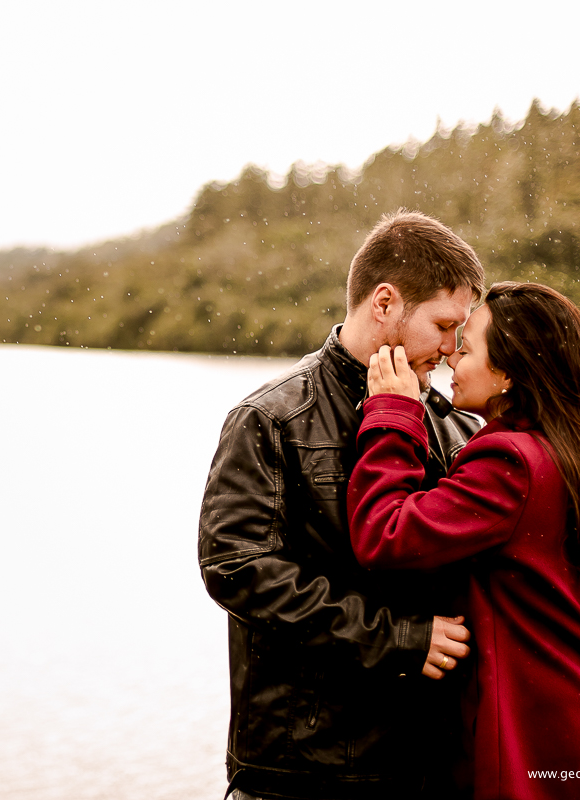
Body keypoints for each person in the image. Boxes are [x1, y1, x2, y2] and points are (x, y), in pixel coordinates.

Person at [198, 209, 487, 799]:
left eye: (463, 332)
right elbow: (237, 569)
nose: (454, 349)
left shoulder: (458, 429)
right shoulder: (271, 418)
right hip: (302, 775)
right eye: (443, 325)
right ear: (384, 304)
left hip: (430, 768)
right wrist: (397, 639)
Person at [347, 282, 580, 799]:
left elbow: (385, 535)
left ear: (508, 372)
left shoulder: (511, 464)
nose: (449, 358)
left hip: (535, 757)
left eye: (466, 347)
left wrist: (393, 414)